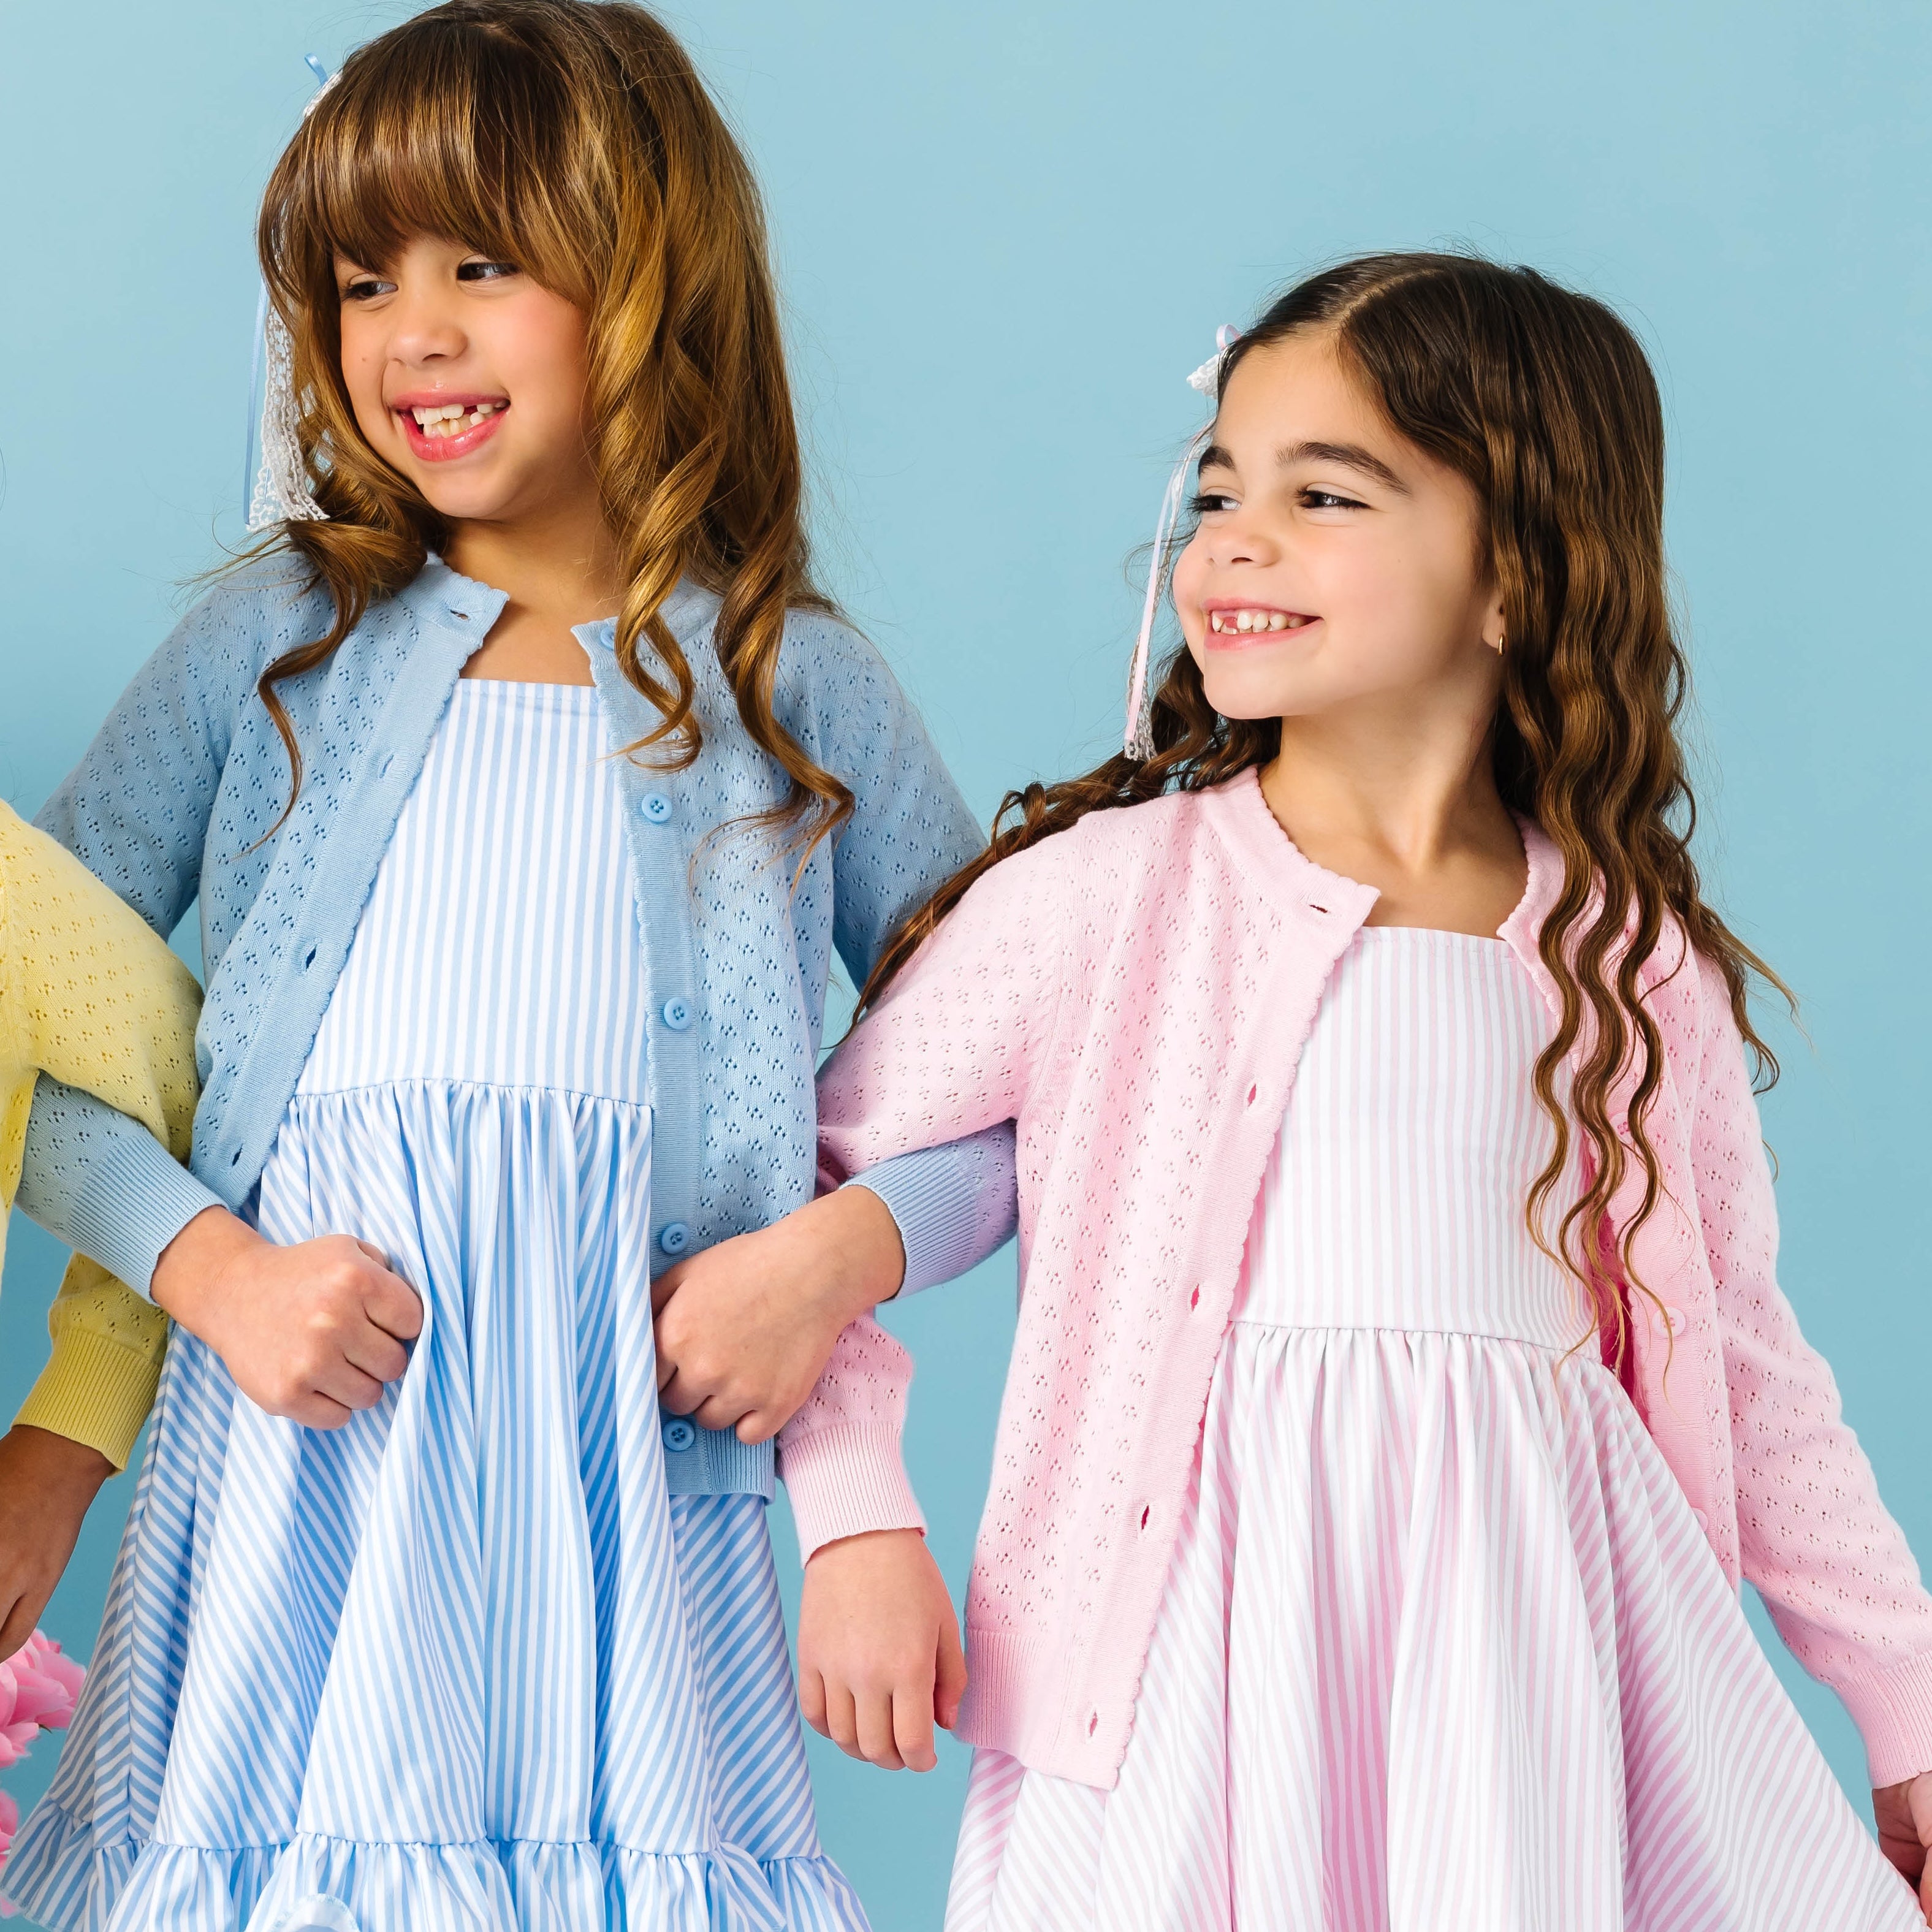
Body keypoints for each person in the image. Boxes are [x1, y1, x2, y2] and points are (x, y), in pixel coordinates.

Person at [652, 253, 1932, 1928]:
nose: (1233, 541)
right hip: (1180, 1656)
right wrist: (857, 1523)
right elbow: (821, 1200)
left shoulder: (1628, 961)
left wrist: (1904, 1711)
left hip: (1518, 1659)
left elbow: (1745, 1358)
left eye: (1324, 493)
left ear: (1517, 576)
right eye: (1218, 490)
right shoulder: (1102, 897)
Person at [4, 5, 1008, 1925]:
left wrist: (824, 1273)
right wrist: (208, 1275)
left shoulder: (799, 686)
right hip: (295, 1482)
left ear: (650, 277)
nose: (411, 334)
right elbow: (16, 1029)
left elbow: (1022, 1091)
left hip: (630, 1500)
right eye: (361, 281)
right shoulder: (267, 646)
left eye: (483, 263)